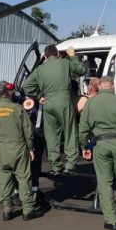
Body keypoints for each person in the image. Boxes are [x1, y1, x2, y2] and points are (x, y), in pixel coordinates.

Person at [79, 76, 116, 230]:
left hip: (100, 144)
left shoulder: (91, 102)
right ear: (112, 86)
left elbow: (83, 128)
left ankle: (111, 220)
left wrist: (84, 146)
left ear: (99, 87)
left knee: (105, 182)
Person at [0, 81, 44, 222]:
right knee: (23, 178)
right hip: (18, 149)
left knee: (4, 181)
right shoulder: (18, 109)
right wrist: (30, 148)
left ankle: (7, 210)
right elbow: (28, 131)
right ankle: (28, 210)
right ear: (9, 93)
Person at [22, 44, 86, 175]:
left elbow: (26, 85)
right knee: (70, 131)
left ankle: (55, 166)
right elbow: (81, 70)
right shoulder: (65, 62)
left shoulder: (40, 69)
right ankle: (70, 164)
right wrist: (73, 57)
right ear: (57, 54)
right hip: (63, 101)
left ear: (45, 56)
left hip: (48, 103)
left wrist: (38, 96)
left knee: (51, 135)